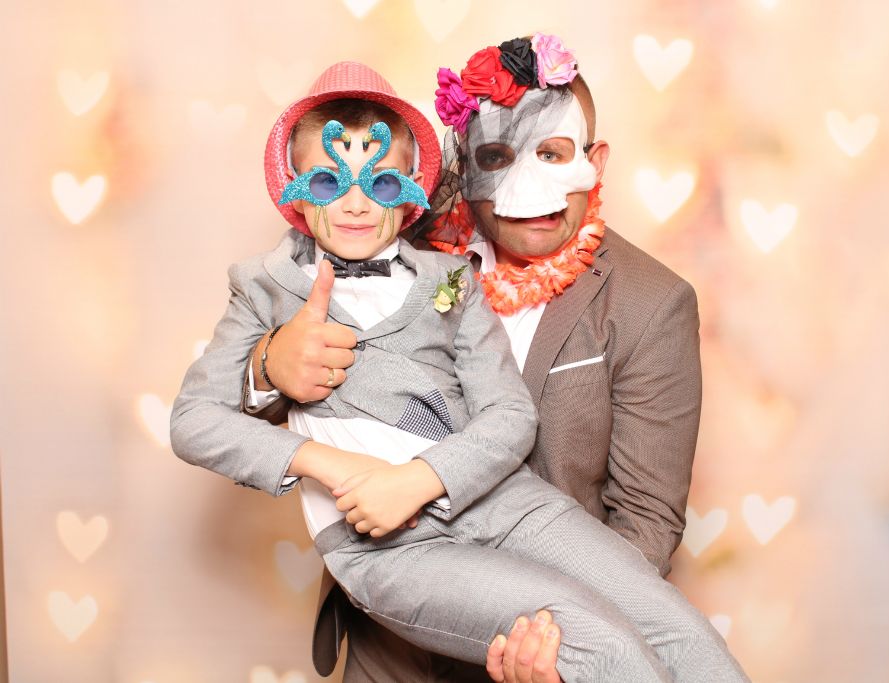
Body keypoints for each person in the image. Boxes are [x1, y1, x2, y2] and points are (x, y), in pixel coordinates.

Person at [171, 60, 749, 682]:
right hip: (390, 575)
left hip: (510, 507)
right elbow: (196, 420)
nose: (356, 204)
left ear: (409, 190)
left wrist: (417, 480)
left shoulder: (452, 280)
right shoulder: (266, 285)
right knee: (600, 641)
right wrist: (273, 373)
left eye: (381, 184)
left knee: (677, 633)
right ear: (295, 188)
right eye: (328, 182)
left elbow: (522, 421)